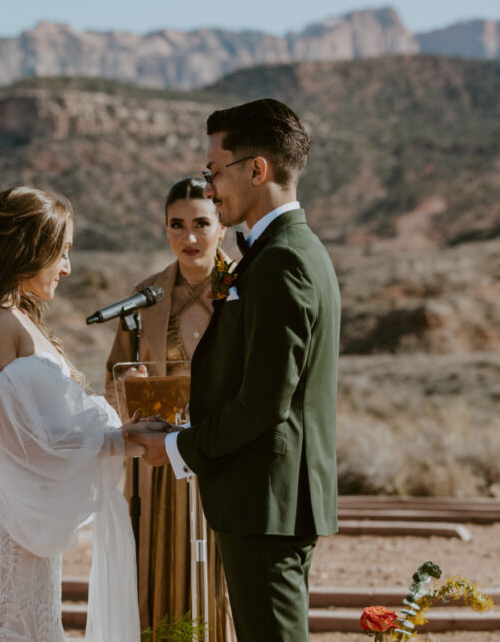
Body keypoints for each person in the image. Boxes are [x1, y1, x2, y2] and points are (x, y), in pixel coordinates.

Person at [128, 99, 341, 642]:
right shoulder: (282, 252)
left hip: (267, 505)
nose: (210, 186)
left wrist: (178, 447)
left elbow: (264, 404)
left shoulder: (284, 261)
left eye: (213, 171)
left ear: (256, 169)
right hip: (264, 501)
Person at [0, 186, 156, 642]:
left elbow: (46, 425)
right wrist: (116, 440)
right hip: (5, 514)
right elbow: (25, 442)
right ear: (27, 249)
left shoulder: (13, 315)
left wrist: (119, 422)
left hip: (16, 504)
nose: (67, 267)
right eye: (61, 253)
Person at [103, 177, 235, 640]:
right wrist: (129, 386)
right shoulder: (146, 296)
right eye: (177, 225)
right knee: (156, 569)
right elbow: (112, 378)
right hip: (157, 470)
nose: (190, 237)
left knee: (221, 575)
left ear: (223, 226)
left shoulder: (245, 291)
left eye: (202, 223)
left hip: (224, 458)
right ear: (165, 229)